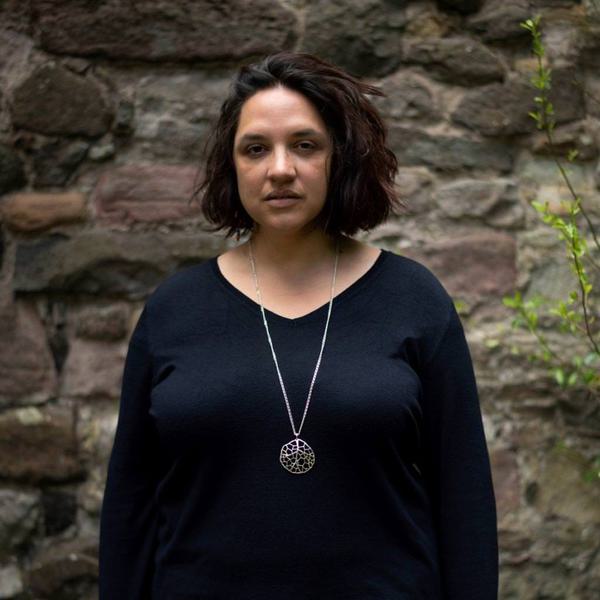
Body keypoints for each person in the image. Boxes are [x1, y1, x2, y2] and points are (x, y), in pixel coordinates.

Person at [98, 51, 498, 599]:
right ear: (231, 165)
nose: (280, 168)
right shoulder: (173, 310)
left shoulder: (413, 300)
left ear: (339, 159)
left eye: (305, 146)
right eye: (256, 148)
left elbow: (464, 495)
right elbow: (130, 504)